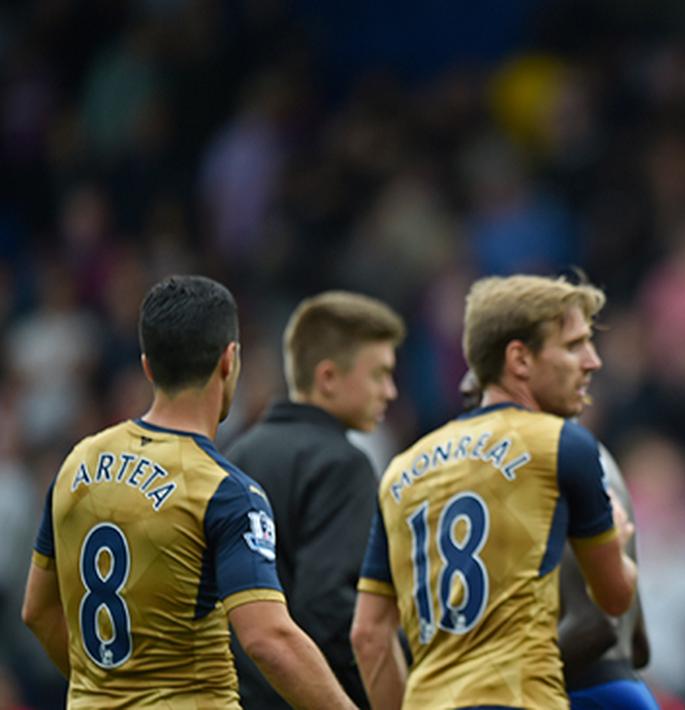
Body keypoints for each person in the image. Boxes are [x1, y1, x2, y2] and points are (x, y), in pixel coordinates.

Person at [20, 275, 356, 709]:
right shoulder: (225, 492)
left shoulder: (77, 464)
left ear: (147, 366)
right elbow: (268, 639)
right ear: (229, 361)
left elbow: (37, 610)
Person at [350, 274, 638, 709]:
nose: (593, 361)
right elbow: (615, 599)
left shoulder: (400, 471)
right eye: (574, 346)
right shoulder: (561, 445)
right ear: (519, 359)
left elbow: (368, 635)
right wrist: (617, 542)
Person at [227, 290, 405, 709]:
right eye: (379, 375)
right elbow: (330, 610)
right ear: (328, 378)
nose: (391, 391)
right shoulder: (342, 464)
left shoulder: (236, 455)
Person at [460, 369, 658, 709]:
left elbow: (596, 625)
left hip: (584, 695)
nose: (465, 388)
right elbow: (637, 642)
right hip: (616, 691)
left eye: (477, 400)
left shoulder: (558, 472)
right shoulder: (600, 464)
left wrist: (494, 689)